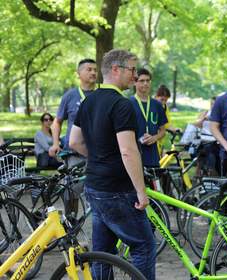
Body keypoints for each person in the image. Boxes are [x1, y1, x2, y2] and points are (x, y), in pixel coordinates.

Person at [68, 49, 155, 280]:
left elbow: (74, 141)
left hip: (94, 186)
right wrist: (141, 191)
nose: (135, 76)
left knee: (102, 253)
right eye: (132, 70)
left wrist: (99, 156)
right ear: (116, 70)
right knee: (144, 246)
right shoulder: (122, 104)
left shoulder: (87, 101)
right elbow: (128, 151)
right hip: (119, 190)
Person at [49, 58, 98, 160]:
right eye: (89, 70)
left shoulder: (103, 93)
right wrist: (55, 144)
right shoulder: (70, 95)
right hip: (74, 154)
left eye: (95, 70)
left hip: (99, 153)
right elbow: (57, 122)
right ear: (78, 73)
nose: (93, 73)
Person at [130, 68, 167, 168]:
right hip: (134, 155)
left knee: (154, 184)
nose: (145, 83)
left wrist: (154, 138)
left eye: (148, 80)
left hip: (153, 156)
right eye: (142, 81)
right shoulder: (128, 103)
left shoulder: (157, 105)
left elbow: (163, 130)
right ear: (134, 82)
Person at [154, 84, 177, 156]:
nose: (163, 102)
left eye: (166, 100)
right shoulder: (152, 105)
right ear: (156, 96)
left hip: (160, 139)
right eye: (162, 99)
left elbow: (167, 122)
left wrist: (174, 129)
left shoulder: (165, 107)